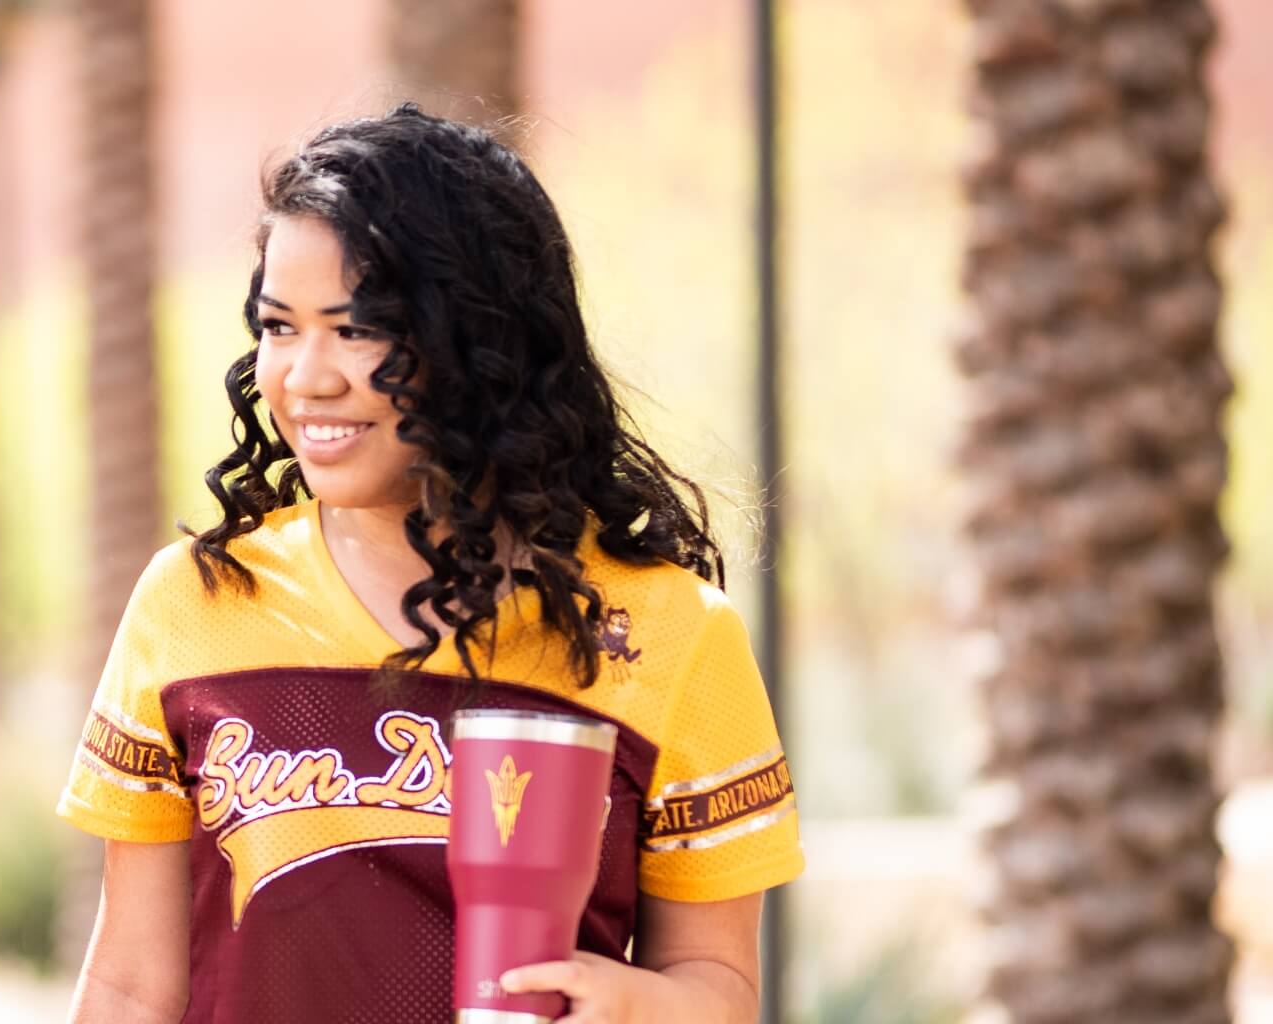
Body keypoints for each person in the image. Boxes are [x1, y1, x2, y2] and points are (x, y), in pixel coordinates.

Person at [57, 106, 800, 1023]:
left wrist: (628, 1009)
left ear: (486, 338)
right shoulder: (197, 602)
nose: (305, 377)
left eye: (359, 328)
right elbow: (132, 987)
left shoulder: (670, 632)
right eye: (280, 327)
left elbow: (720, 989)